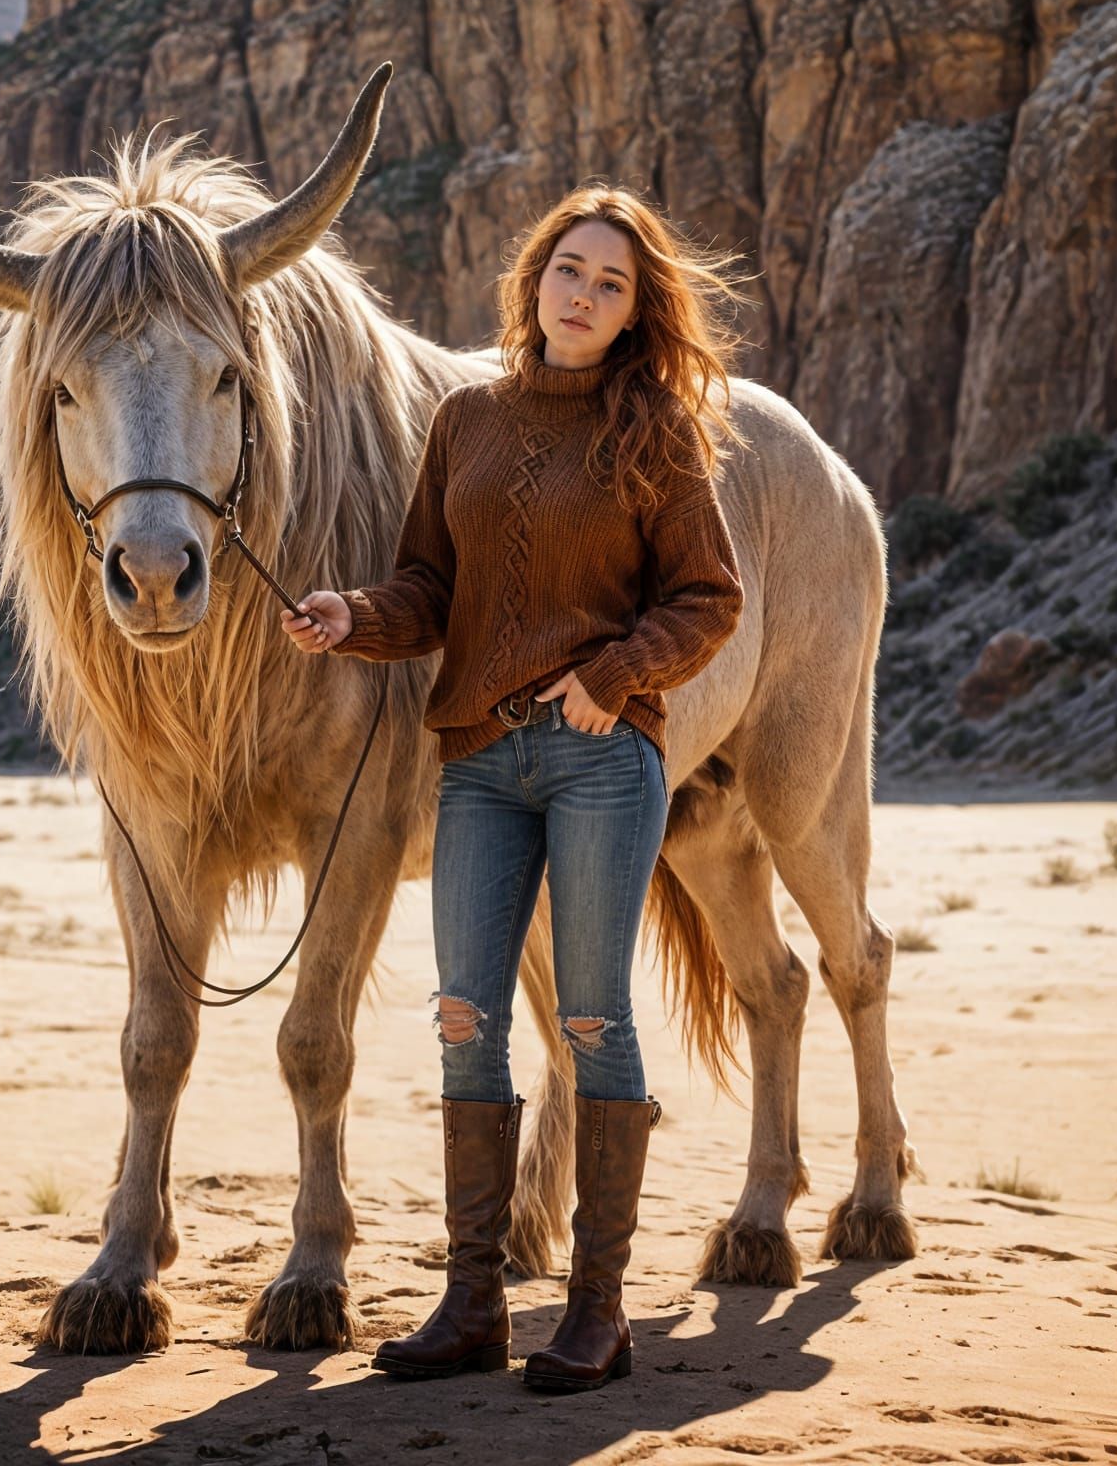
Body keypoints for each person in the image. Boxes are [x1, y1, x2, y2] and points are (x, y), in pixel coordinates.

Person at [279, 184, 746, 1390]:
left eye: (612, 284)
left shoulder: (661, 433)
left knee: (592, 1022)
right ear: (533, 277)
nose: (584, 296)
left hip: (602, 758)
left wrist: (617, 675)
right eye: (569, 270)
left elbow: (709, 598)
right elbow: (431, 590)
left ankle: (597, 1311)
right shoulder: (466, 421)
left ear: (636, 312)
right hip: (479, 765)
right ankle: (474, 1304)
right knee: (465, 1023)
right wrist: (353, 617)